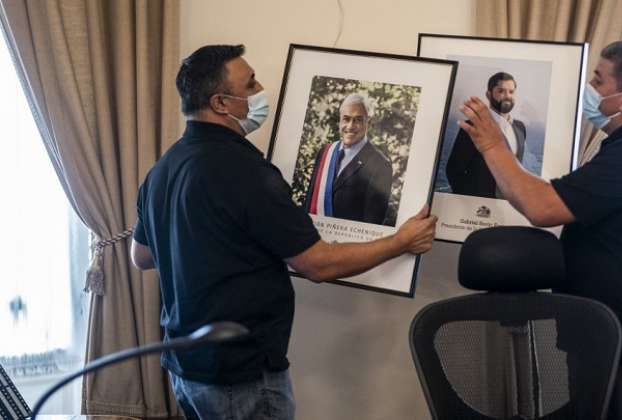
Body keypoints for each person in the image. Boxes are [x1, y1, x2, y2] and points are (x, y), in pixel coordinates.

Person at [130, 44, 437, 420]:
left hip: (185, 369)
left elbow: (141, 255)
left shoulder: (165, 166)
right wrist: (401, 241)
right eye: (250, 83)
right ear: (221, 103)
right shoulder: (245, 171)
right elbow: (317, 265)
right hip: (239, 376)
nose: (261, 89)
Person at [458, 39, 622, 420]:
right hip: (610, 343)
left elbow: (541, 207)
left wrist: (492, 144)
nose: (590, 88)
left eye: (599, 81)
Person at [304, 93, 393, 225]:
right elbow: (309, 202)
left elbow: (371, 225)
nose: (350, 126)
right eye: (346, 119)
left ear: (367, 122)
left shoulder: (380, 165)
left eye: (358, 120)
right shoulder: (325, 153)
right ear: (340, 121)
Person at [447, 71, 526, 199]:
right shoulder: (472, 126)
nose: (507, 96)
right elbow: (453, 170)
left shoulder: (520, 128)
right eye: (501, 91)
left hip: (509, 207)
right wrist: (472, 204)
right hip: (479, 209)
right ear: (488, 95)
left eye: (511, 92)